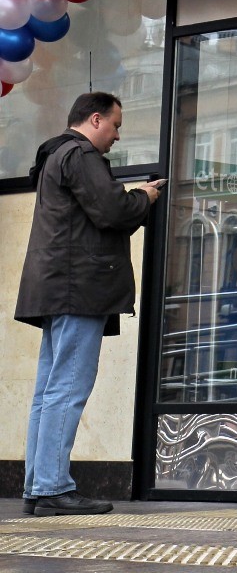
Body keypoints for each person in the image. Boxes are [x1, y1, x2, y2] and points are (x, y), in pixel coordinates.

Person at [15, 92, 163, 517]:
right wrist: (144, 197)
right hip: (78, 290)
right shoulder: (80, 155)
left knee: (48, 392)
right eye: (115, 125)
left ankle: (39, 486)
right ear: (95, 119)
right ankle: (53, 487)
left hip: (57, 288)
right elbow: (113, 210)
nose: (117, 136)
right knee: (67, 389)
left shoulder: (55, 155)